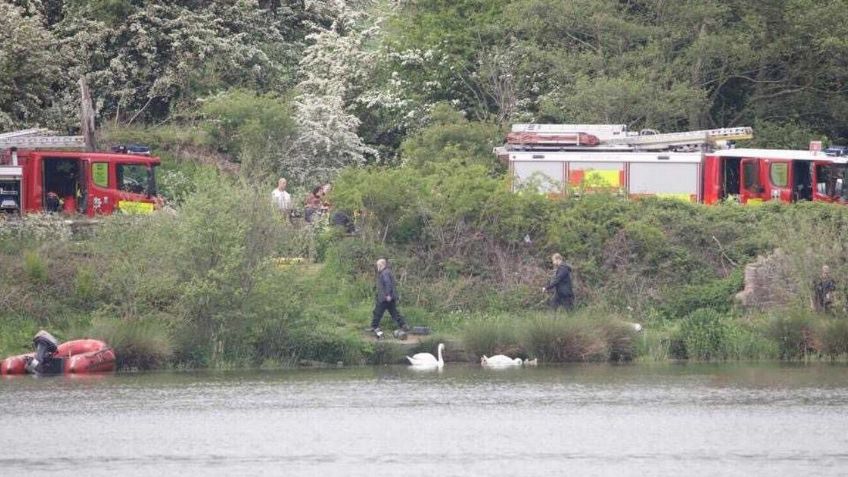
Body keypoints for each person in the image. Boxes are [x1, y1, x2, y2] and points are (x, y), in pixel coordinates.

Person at [371, 258, 409, 338]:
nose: (377, 266)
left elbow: (387, 284)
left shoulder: (384, 273)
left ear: (382, 265)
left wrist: (387, 295)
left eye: (378, 265)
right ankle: (403, 325)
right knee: (394, 312)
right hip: (390, 297)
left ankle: (374, 326)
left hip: (385, 298)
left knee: (377, 312)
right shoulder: (387, 272)